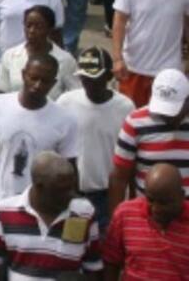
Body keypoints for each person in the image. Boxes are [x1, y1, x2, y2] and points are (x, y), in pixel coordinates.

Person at [0, 53, 80, 221]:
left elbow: (69, 171)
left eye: (45, 81)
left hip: (40, 212)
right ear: (24, 75)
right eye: (34, 78)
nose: (37, 85)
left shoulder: (65, 120)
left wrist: (70, 210)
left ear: (53, 83)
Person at [0, 151, 103, 280]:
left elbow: (94, 270)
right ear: (39, 186)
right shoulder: (3, 213)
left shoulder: (84, 214)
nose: (71, 195)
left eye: (72, 188)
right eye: (62, 190)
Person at [57, 47, 135, 232]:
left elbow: (131, 157)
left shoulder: (125, 108)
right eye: (84, 78)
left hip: (107, 196)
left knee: (104, 244)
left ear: (108, 76)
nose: (88, 83)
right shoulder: (65, 102)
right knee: (71, 242)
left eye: (94, 78)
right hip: (71, 194)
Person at [111, 0, 189, 107]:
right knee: (131, 115)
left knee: (166, 117)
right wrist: (117, 59)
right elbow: (120, 19)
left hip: (169, 70)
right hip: (133, 67)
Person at [108, 68, 189, 212]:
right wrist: (116, 218)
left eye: (173, 111)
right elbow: (119, 177)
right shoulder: (135, 122)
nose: (167, 116)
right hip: (146, 212)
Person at [103, 161, 189, 280]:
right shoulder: (125, 214)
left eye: (164, 203)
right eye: (151, 200)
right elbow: (111, 261)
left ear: (181, 196)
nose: (156, 209)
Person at [0, 5, 79, 99]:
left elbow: (75, 93)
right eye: (28, 26)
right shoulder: (10, 55)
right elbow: (1, 90)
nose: (32, 31)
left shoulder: (66, 60)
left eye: (38, 27)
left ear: (50, 29)